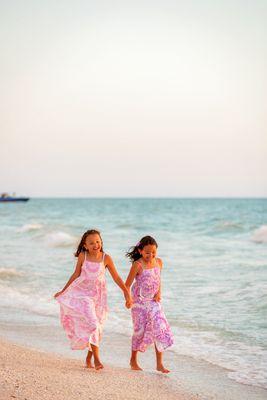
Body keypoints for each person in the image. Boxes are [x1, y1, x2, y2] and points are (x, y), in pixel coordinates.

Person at [54, 229, 131, 370]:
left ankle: (88, 359)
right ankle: (97, 360)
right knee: (94, 324)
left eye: (98, 241)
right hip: (82, 294)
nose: (95, 245)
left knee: (97, 328)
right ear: (85, 245)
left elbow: (117, 277)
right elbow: (76, 274)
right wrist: (63, 291)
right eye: (91, 243)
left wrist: (127, 293)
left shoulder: (106, 258)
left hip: (99, 298)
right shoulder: (83, 256)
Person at [125, 235, 174, 373]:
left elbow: (159, 279)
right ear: (140, 251)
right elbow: (126, 285)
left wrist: (159, 293)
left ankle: (159, 364)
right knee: (139, 332)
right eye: (147, 252)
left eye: (153, 252)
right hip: (139, 303)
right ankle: (133, 360)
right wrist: (128, 299)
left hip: (154, 302)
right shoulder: (137, 265)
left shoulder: (159, 262)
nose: (151, 255)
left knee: (159, 328)